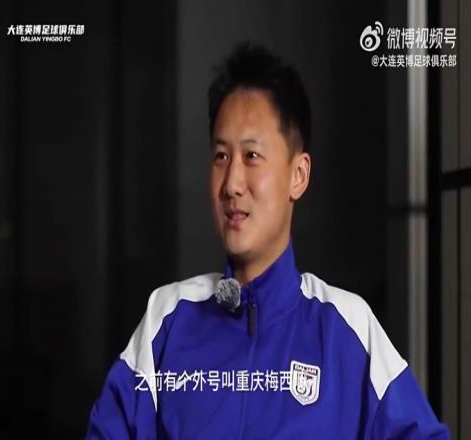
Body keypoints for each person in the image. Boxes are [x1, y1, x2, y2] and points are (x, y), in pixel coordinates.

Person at [86, 42, 449, 439]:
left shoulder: (348, 330)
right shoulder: (167, 319)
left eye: (252, 156)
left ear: (298, 175)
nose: (231, 184)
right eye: (221, 156)